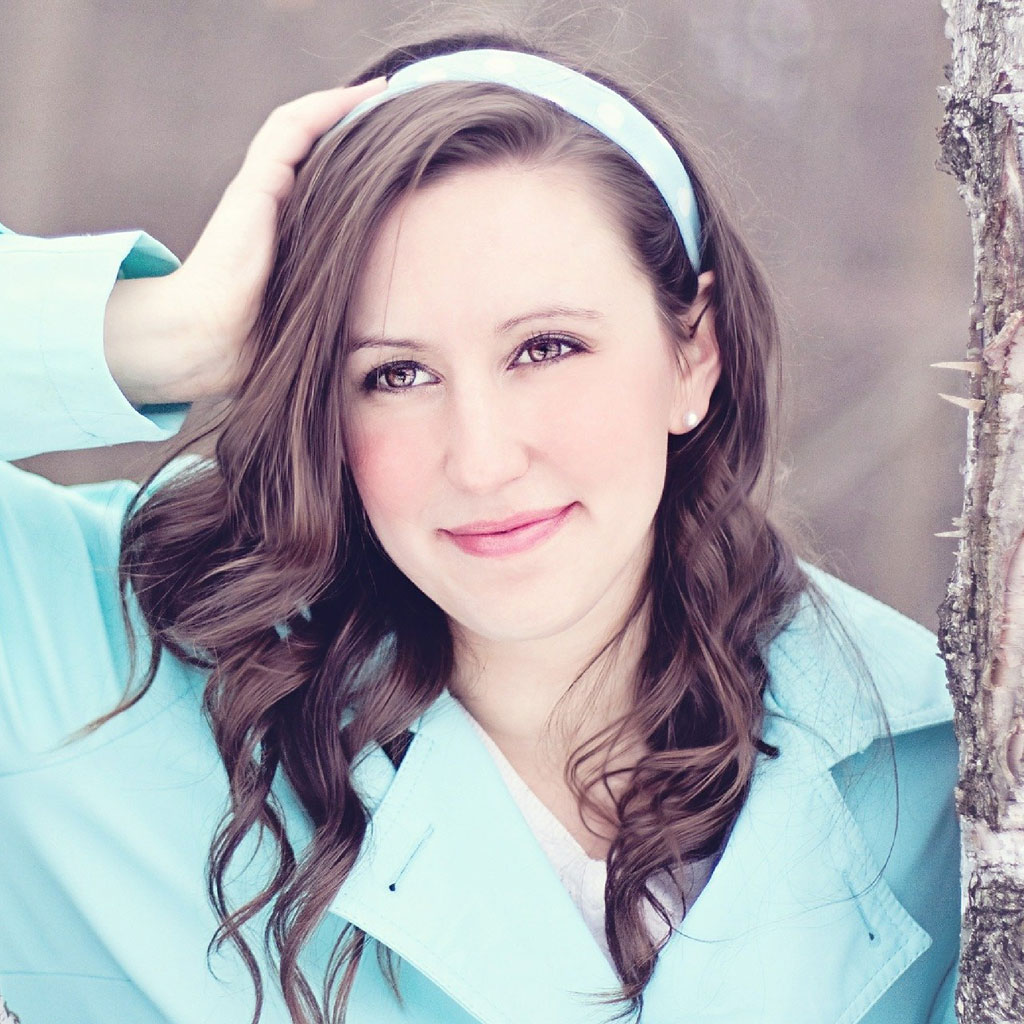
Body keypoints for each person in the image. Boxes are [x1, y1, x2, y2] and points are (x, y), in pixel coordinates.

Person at [0, 28, 960, 1024]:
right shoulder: (110, 681)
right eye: (394, 374)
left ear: (693, 354)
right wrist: (170, 332)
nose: (483, 457)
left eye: (547, 347)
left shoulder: (933, 770)